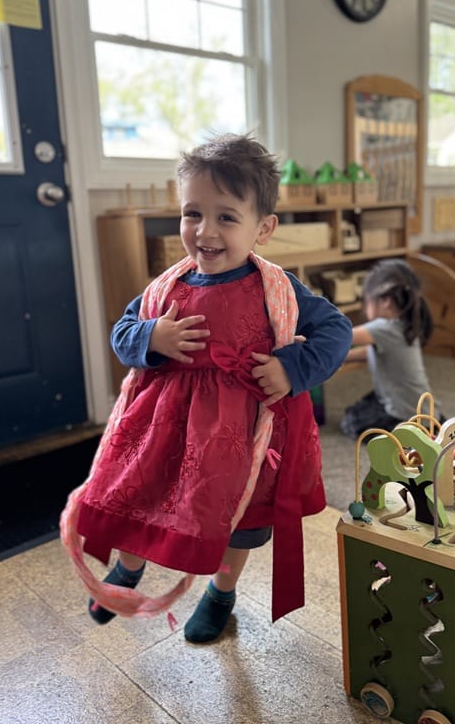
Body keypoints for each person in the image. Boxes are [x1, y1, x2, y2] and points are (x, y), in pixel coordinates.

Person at [62, 133, 352, 643]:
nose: (205, 231)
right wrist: (152, 337)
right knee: (143, 497)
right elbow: (122, 332)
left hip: (239, 443)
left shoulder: (278, 289)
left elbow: (336, 330)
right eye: (192, 213)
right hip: (164, 434)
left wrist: (292, 368)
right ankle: (129, 567)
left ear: (263, 228)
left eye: (226, 217)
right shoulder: (165, 287)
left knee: (237, 519)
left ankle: (221, 592)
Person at [340, 258, 444, 441]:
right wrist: (341, 358)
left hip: (407, 418)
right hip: (427, 413)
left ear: (386, 301)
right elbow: (370, 353)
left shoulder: (383, 328)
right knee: (366, 404)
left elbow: (339, 336)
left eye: (366, 300)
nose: (365, 307)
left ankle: (409, 438)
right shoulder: (405, 326)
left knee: (352, 420)